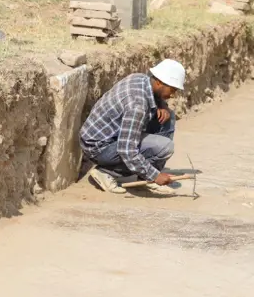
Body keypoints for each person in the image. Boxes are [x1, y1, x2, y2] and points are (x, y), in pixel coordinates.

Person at [80, 59, 186, 195]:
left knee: (167, 117)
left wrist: (161, 105)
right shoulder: (137, 106)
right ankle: (106, 172)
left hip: (107, 136)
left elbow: (155, 96)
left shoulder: (140, 79)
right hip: (99, 147)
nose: (172, 95)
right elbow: (127, 149)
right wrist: (155, 175)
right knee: (165, 147)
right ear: (159, 82)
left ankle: (145, 175)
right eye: (172, 89)